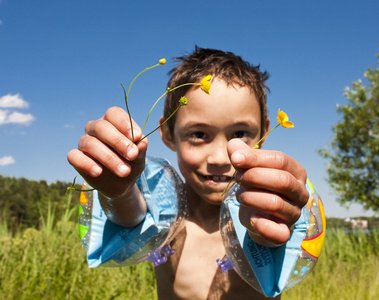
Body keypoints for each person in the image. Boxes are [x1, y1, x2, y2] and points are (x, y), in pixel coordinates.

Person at [68, 47, 310, 299]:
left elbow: (272, 237)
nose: (219, 158)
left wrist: (274, 223)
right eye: (198, 134)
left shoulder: (264, 212)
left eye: (240, 134)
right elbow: (131, 215)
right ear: (167, 134)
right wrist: (119, 192)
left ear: (264, 132)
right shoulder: (166, 213)